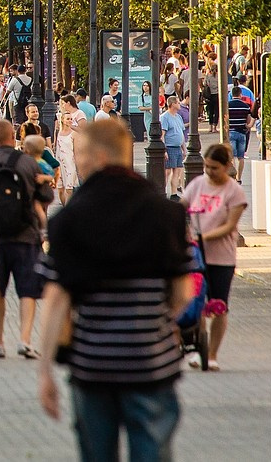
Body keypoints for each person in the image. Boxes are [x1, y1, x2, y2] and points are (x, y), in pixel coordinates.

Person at [36, 118, 195, 460]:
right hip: (151, 365)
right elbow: (184, 292)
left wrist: (45, 369)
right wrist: (155, 324)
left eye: (80, 155)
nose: (76, 163)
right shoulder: (166, 214)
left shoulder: (68, 221)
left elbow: (56, 300)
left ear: (97, 158)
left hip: (93, 366)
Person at [0, 118, 54, 360]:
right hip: (26, 236)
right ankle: (25, 339)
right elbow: (46, 195)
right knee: (28, 291)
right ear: (12, 136)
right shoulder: (27, 163)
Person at [181, 143, 247, 372]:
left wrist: (203, 237)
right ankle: (200, 346)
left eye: (214, 168)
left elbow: (230, 225)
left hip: (222, 257)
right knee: (197, 302)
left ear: (227, 166)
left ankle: (212, 354)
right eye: (207, 167)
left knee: (219, 305)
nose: (209, 171)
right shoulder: (197, 184)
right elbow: (182, 208)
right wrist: (184, 231)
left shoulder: (234, 191)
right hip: (196, 256)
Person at [159, 96, 187, 199]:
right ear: (173, 104)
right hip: (170, 147)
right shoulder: (165, 117)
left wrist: (184, 149)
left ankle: (174, 193)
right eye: (178, 103)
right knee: (168, 171)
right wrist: (164, 150)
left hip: (178, 147)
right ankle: (162, 192)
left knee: (177, 170)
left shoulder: (178, 117)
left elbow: (181, 134)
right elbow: (162, 135)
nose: (179, 104)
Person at [226, 86, 255, 183]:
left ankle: (233, 177)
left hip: (231, 132)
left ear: (231, 94)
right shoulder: (245, 106)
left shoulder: (227, 105)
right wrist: (247, 126)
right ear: (240, 94)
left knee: (232, 157)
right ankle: (239, 177)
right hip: (242, 133)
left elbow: (224, 120)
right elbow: (248, 120)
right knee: (241, 157)